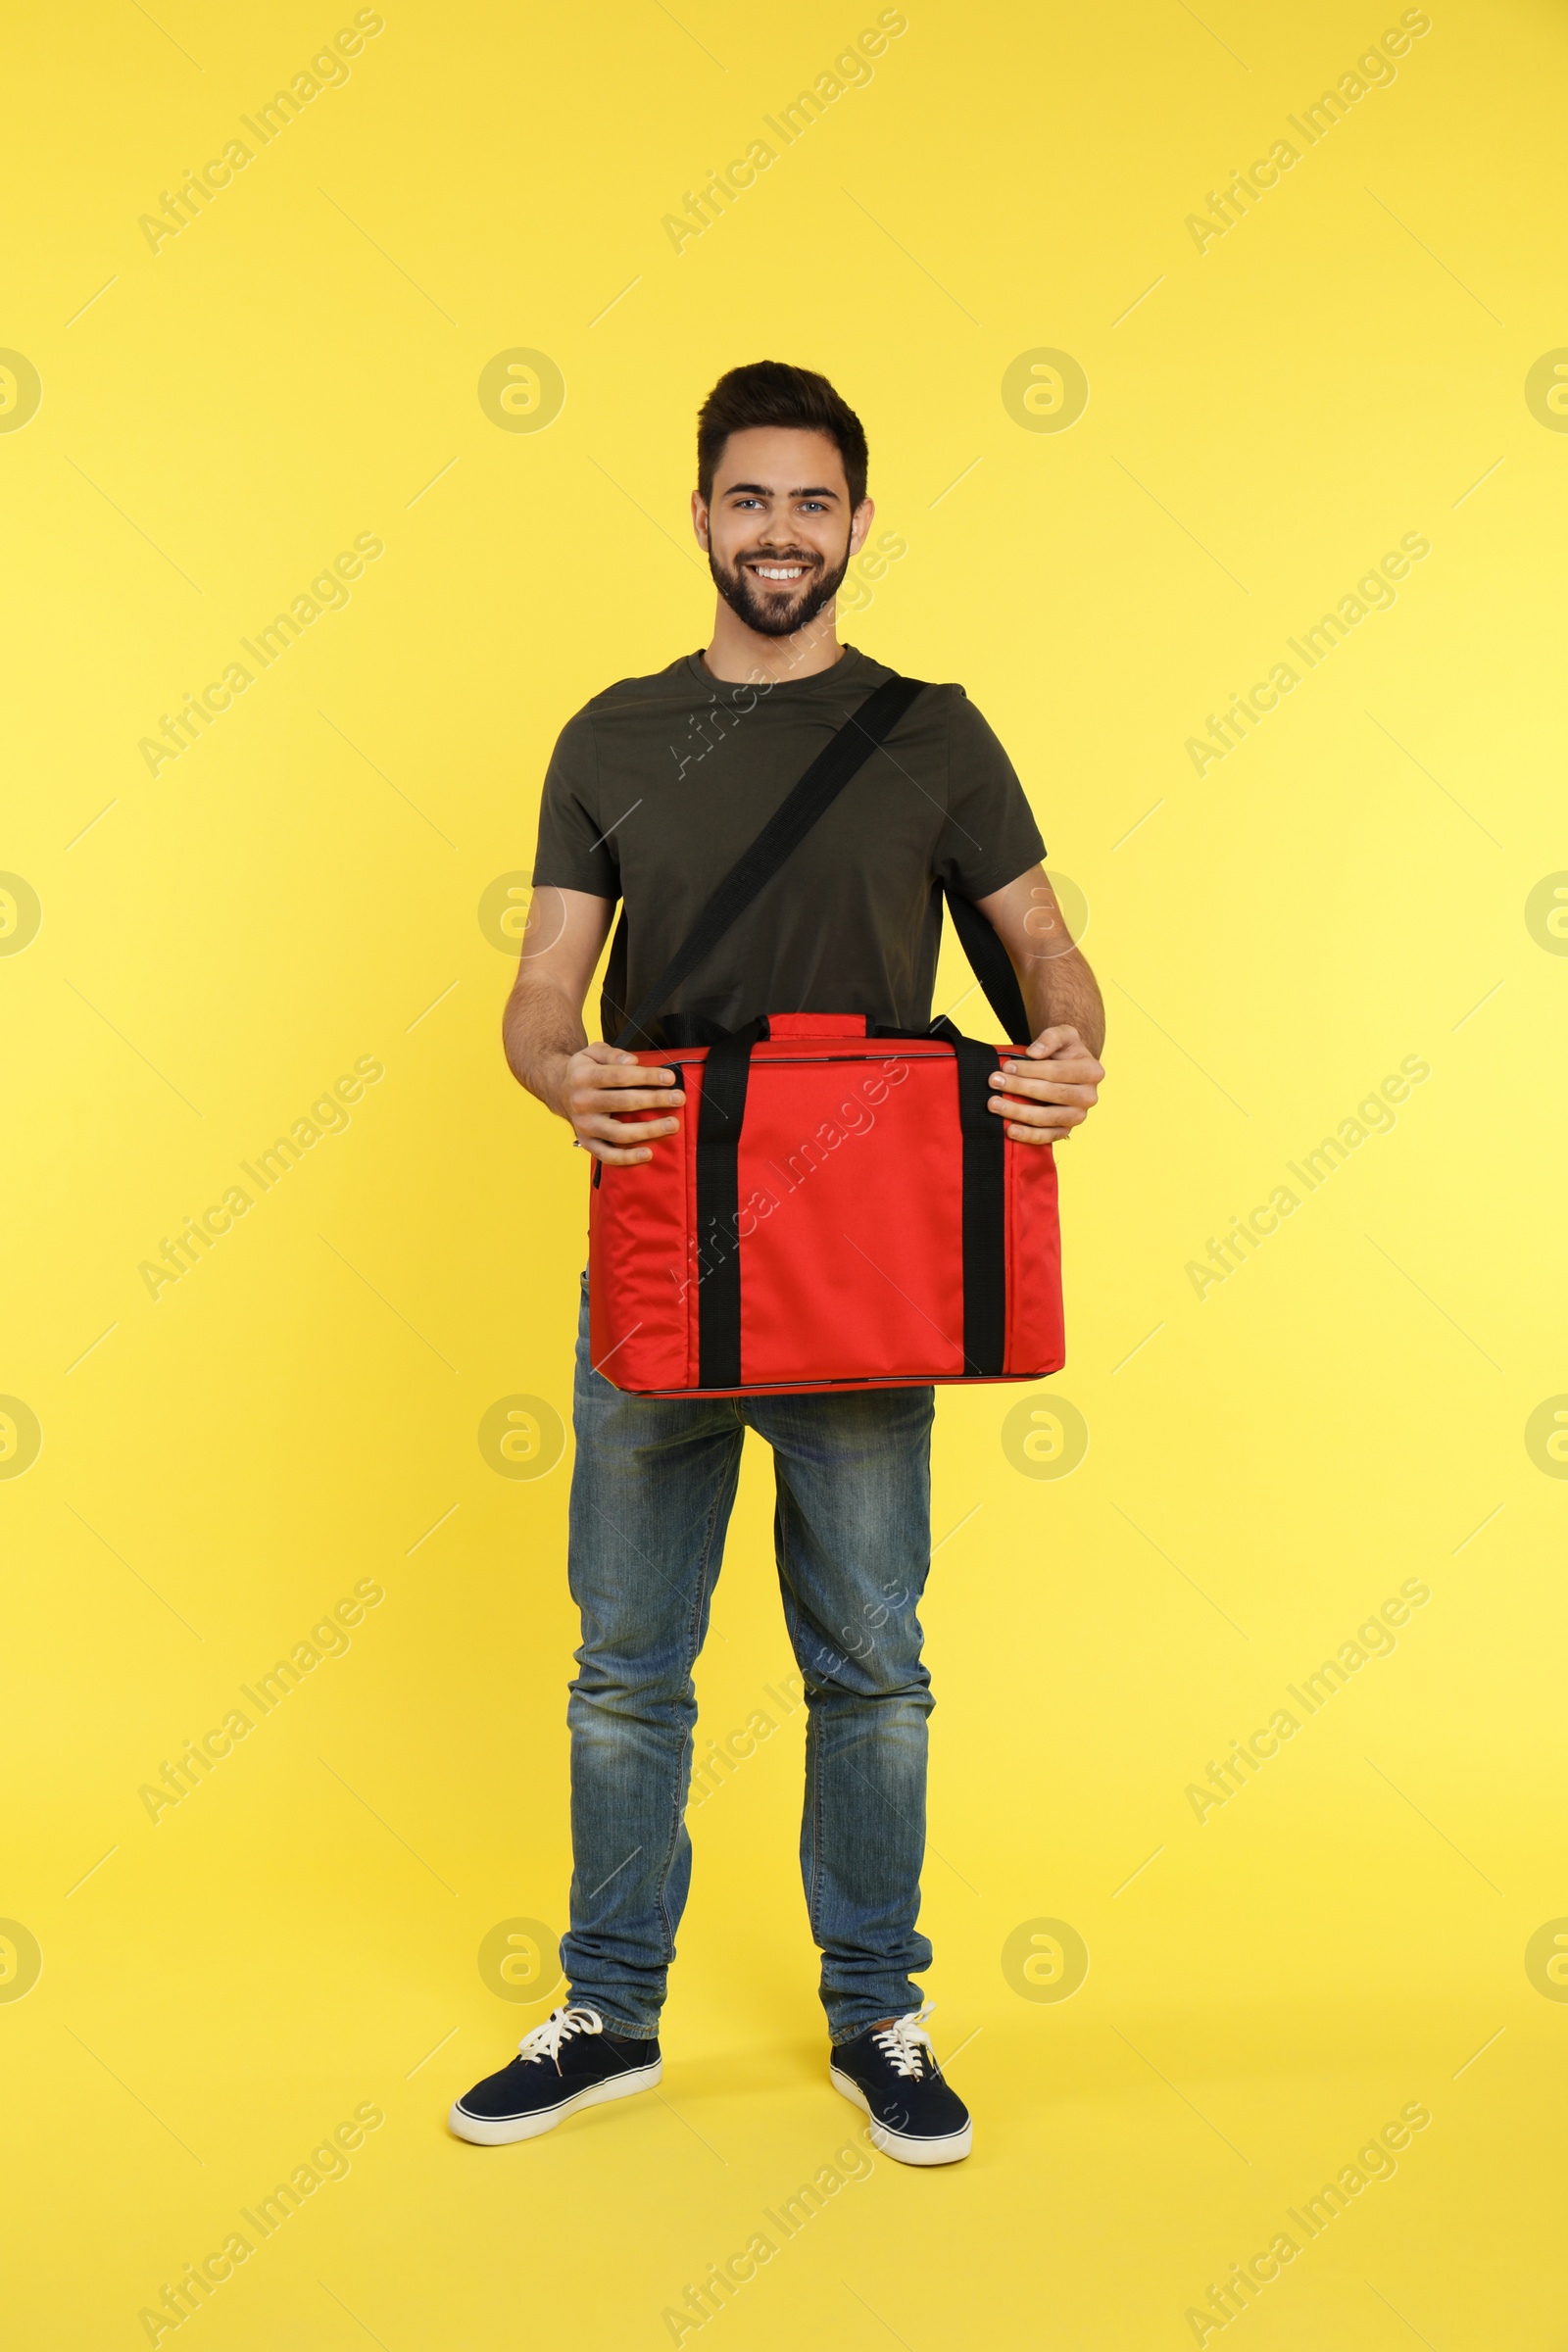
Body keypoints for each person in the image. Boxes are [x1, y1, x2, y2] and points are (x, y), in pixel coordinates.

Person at [449, 360, 1105, 2165]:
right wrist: (554, 1069)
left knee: (872, 1663)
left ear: (859, 524)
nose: (781, 534)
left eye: (814, 504)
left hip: (864, 1257)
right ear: (701, 518)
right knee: (626, 1662)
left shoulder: (937, 734)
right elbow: (537, 989)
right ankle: (612, 2013)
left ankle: (878, 2015)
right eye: (750, 501)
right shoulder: (608, 735)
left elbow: (1048, 952)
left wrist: (1066, 1049)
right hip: (664, 1241)